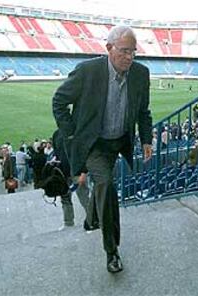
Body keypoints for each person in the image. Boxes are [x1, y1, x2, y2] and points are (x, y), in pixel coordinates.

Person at [53, 26, 153, 273]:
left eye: (133, 52)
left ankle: (92, 218)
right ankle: (112, 251)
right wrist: (73, 135)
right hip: (96, 145)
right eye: (124, 51)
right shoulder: (88, 71)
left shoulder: (141, 74)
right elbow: (59, 102)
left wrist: (147, 140)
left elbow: (143, 111)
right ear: (109, 48)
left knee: (101, 188)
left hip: (121, 140)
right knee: (106, 186)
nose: (129, 57)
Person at [52, 129, 91, 230]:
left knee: (83, 196)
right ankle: (68, 222)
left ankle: (93, 219)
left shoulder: (77, 132)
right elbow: (57, 154)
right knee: (65, 198)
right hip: (63, 173)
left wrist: (84, 172)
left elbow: (84, 153)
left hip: (77, 171)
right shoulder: (56, 134)